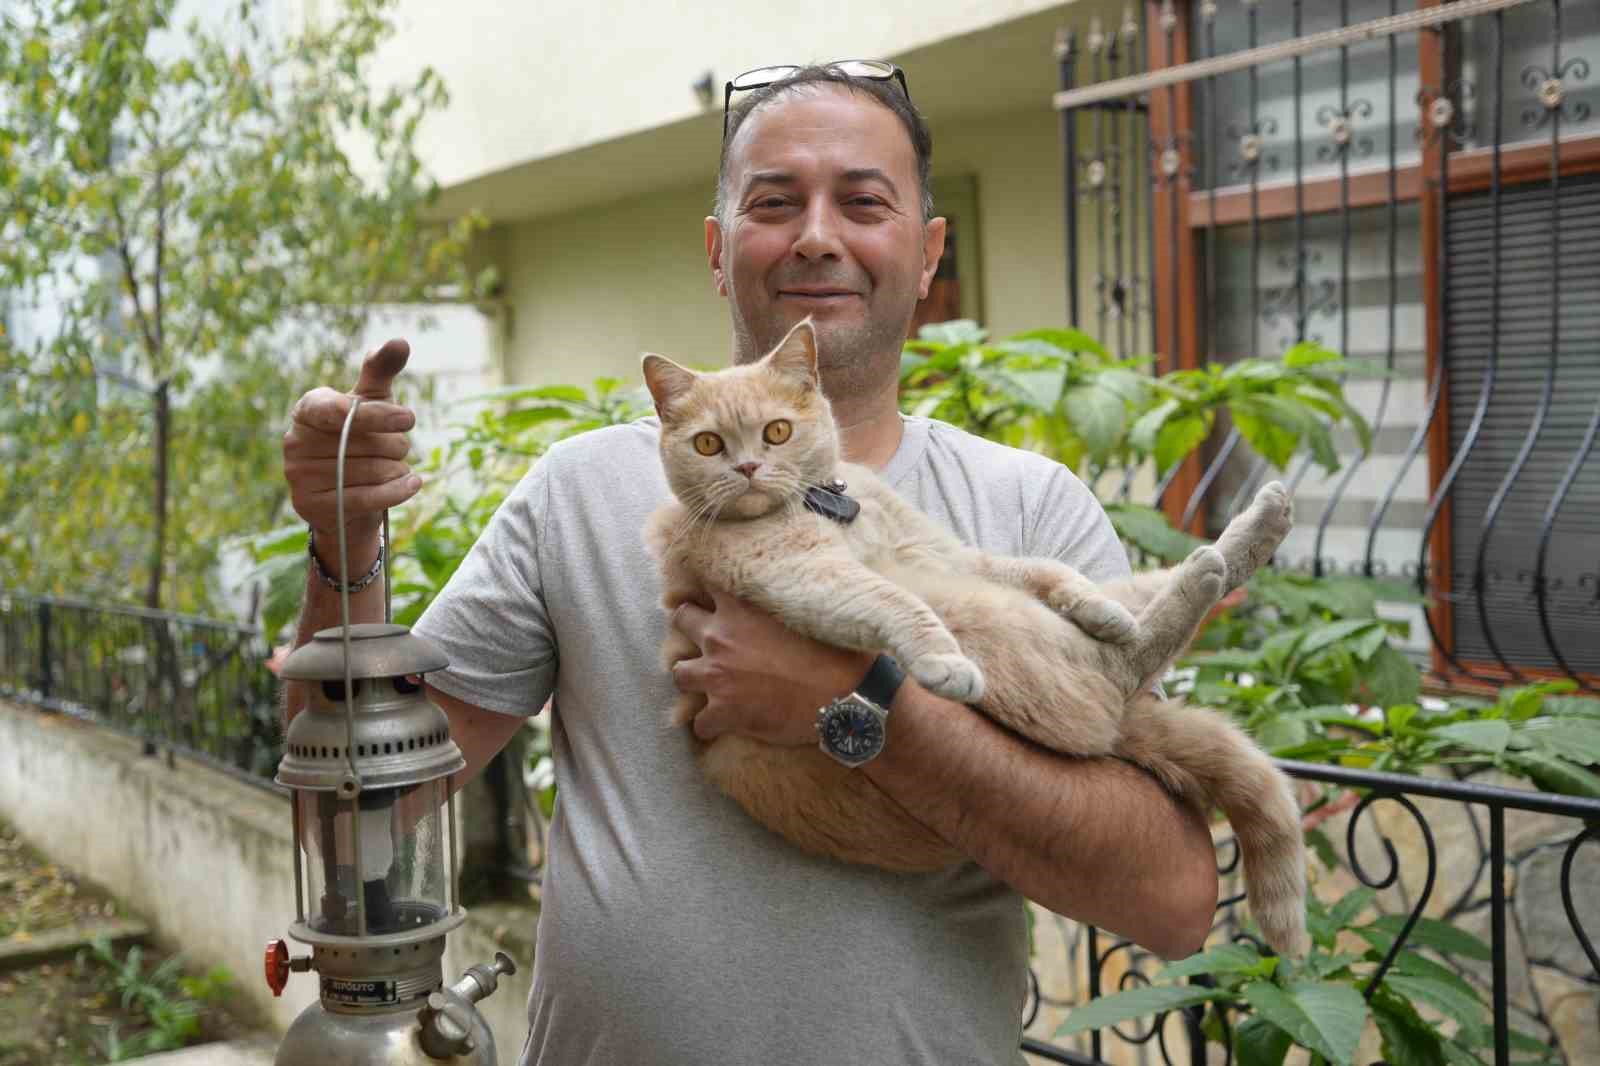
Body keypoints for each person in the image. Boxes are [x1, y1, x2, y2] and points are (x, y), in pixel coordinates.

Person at [281, 63, 1217, 1066]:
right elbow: (356, 815)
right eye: (774, 203)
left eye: (863, 201)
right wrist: (345, 545)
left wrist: (859, 706)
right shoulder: (577, 490)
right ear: (720, 251)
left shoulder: (1028, 508)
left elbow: (1167, 899)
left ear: (927, 248)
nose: (817, 234)